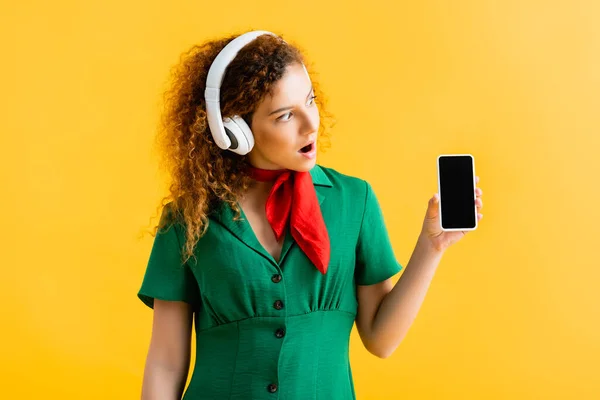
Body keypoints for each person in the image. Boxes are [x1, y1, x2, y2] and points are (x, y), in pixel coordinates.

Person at [137, 30, 484, 400]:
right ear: (234, 130)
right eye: (285, 115)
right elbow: (166, 363)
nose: (311, 124)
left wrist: (431, 247)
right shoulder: (187, 218)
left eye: (310, 101)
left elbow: (381, 339)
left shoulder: (354, 200)